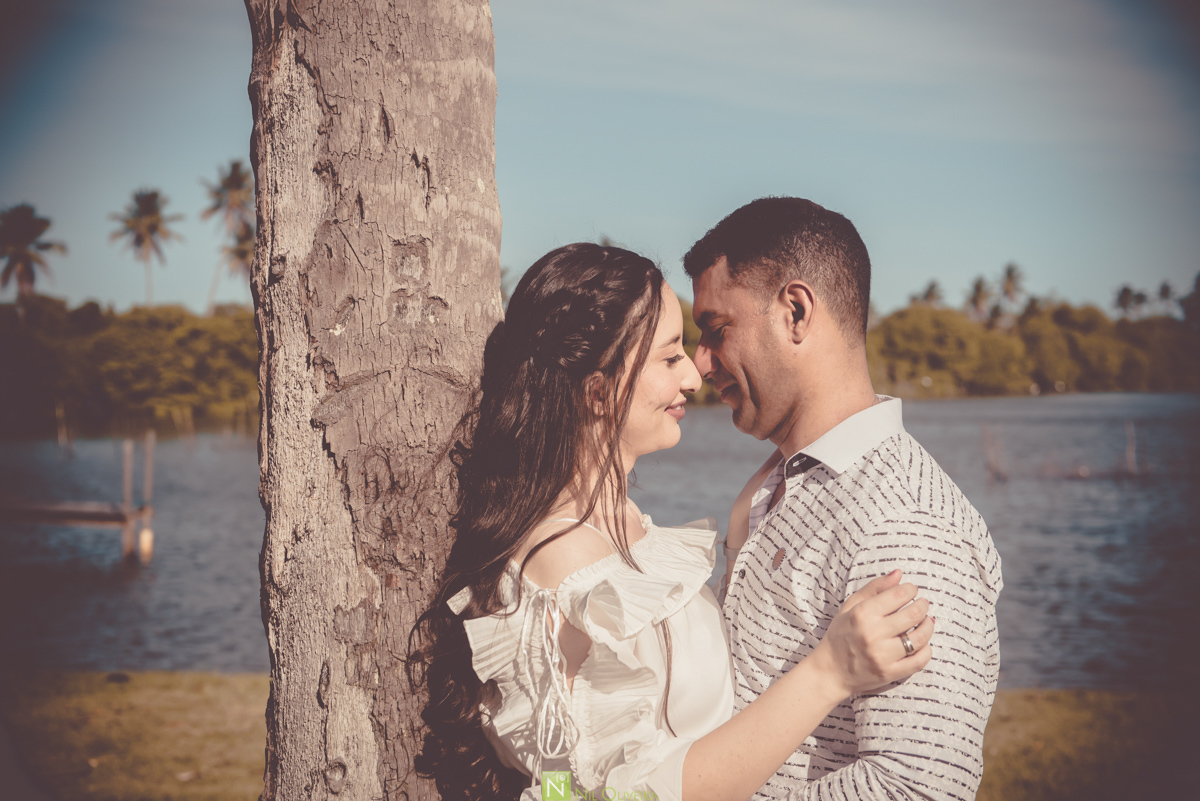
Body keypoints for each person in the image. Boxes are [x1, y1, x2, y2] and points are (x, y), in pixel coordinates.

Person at [410, 243, 935, 801]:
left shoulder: (626, 529)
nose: (694, 374)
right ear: (598, 389)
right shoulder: (563, 569)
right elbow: (609, 793)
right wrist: (831, 671)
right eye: (669, 357)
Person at [684, 197, 1003, 801]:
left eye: (716, 328)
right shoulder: (786, 481)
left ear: (796, 312)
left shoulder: (906, 521)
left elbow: (917, 788)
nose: (702, 362)